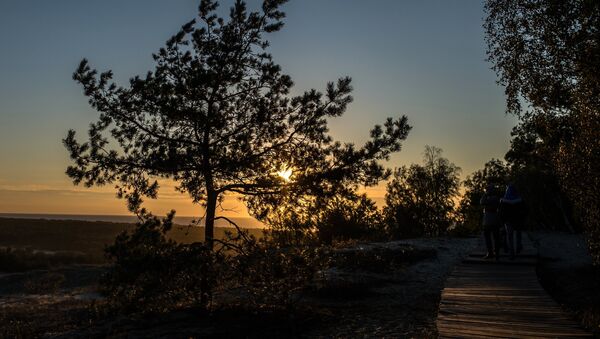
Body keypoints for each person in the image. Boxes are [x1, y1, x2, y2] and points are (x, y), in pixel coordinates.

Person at [498, 184, 528, 259]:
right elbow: (524, 210)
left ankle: (512, 254)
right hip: (518, 220)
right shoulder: (520, 200)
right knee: (518, 235)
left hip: (508, 221)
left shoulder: (503, 201)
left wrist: (502, 222)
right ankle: (518, 248)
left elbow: (501, 212)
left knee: (510, 237)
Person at [480, 184, 501, 260]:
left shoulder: (493, 198)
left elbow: (481, 201)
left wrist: (485, 194)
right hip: (494, 219)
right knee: (495, 237)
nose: (486, 191)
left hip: (489, 220)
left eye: (487, 190)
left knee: (491, 237)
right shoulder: (496, 198)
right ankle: (494, 253)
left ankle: (492, 253)